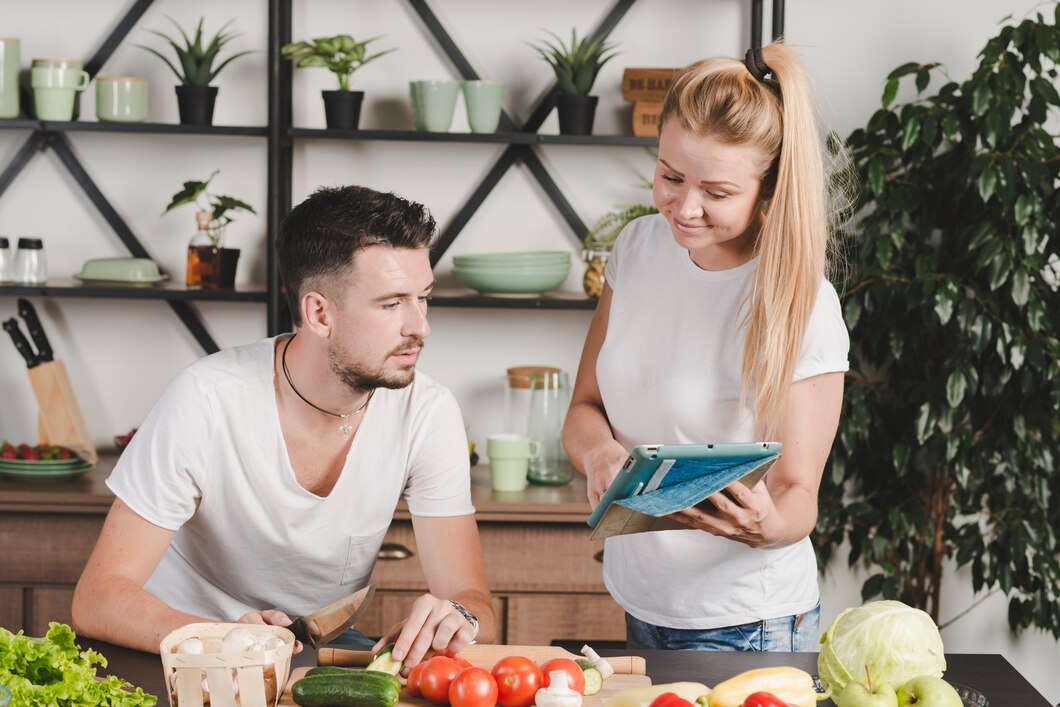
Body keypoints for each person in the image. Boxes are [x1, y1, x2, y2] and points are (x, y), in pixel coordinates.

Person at [72, 185, 493, 666]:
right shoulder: (206, 398)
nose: (421, 327)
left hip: (317, 655)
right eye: (392, 304)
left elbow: (472, 598)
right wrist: (220, 638)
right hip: (181, 650)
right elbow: (98, 598)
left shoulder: (428, 411)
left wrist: (459, 616)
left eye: (423, 298)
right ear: (319, 313)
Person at [562, 43, 851, 651]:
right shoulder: (638, 249)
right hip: (642, 601)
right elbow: (585, 409)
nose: (684, 208)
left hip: (749, 621)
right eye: (670, 176)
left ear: (767, 188)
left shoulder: (803, 301)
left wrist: (765, 525)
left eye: (716, 192)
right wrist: (600, 458)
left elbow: (799, 493)